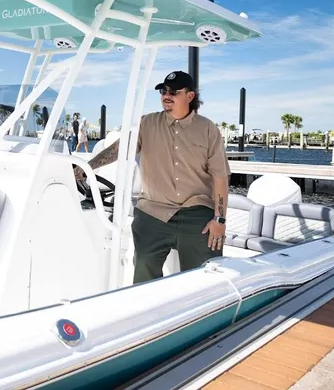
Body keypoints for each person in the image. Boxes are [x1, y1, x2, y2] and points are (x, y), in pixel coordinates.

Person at [73, 70, 230, 283]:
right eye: (164, 91)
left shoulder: (208, 129)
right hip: (153, 212)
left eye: (174, 92)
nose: (167, 95)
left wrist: (219, 219)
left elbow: (220, 177)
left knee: (206, 278)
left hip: (197, 215)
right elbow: (120, 149)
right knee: (144, 275)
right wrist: (87, 167)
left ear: (190, 96)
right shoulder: (147, 124)